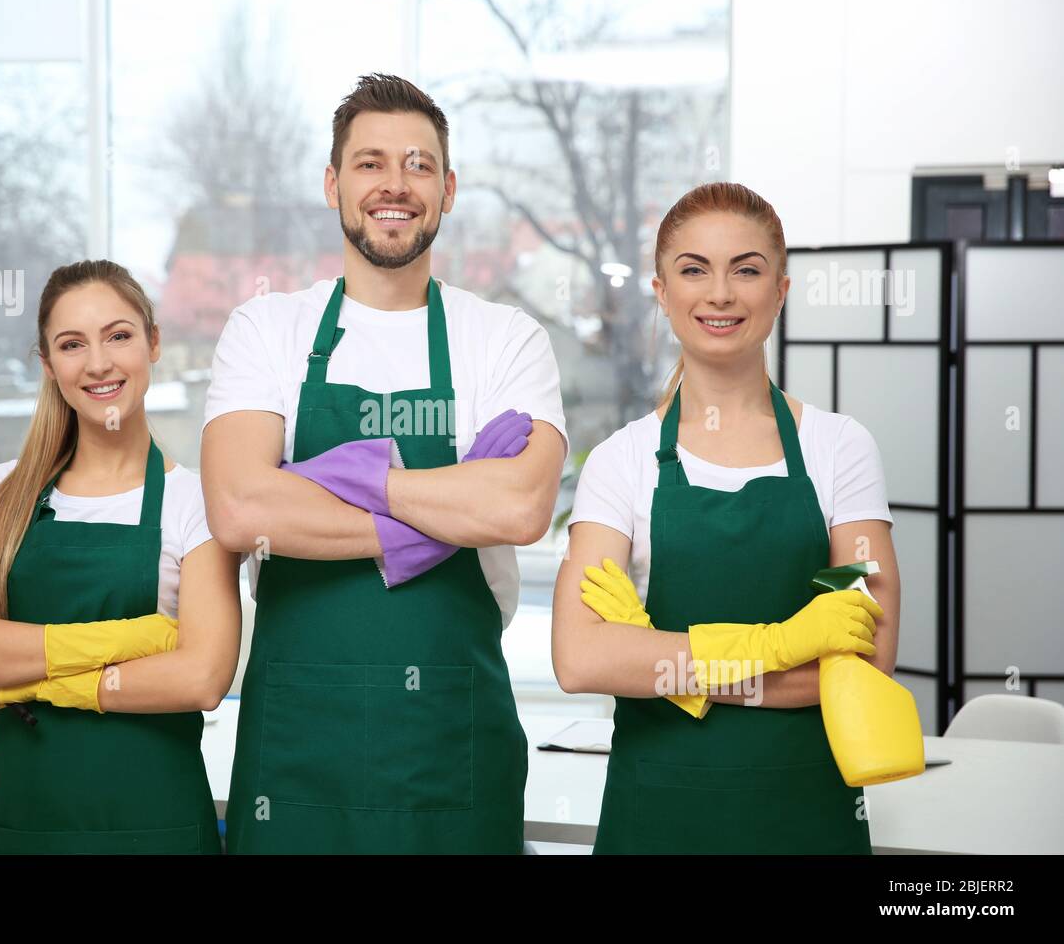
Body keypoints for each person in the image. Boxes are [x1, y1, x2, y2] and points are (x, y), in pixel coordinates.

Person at [201, 74, 568, 853]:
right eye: (369, 163)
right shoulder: (266, 329)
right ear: (334, 183)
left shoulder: (505, 340)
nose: (394, 184)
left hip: (451, 747)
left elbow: (518, 510)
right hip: (298, 754)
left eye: (418, 164)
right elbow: (239, 508)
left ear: (449, 188)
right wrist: (440, 515)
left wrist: (342, 475)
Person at [553, 182, 898, 854]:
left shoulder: (839, 449)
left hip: (807, 817)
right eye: (693, 270)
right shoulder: (622, 463)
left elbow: (869, 659)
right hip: (657, 817)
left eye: (746, 269)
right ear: (660, 291)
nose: (720, 294)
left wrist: (667, 669)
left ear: (780, 289)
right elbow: (581, 658)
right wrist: (786, 646)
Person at [0, 259, 243, 854]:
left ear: (153, 342)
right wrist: (130, 645)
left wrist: (38, 682)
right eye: (72, 345)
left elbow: (201, 677)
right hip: (30, 830)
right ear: (48, 366)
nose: (98, 363)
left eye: (118, 335)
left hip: (160, 829)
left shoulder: (197, 501)